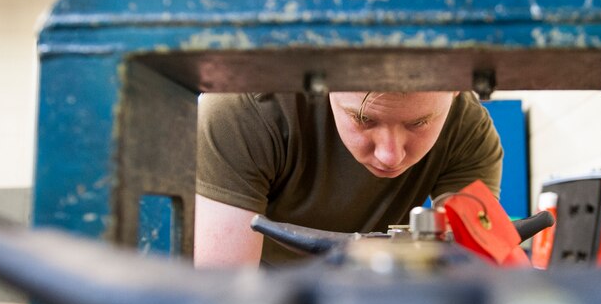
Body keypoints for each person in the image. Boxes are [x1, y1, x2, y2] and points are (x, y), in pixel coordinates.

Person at [194, 90, 503, 268]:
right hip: (264, 300)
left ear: (456, 90)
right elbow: (223, 298)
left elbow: (481, 271)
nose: (390, 155)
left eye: (419, 123)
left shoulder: (467, 128)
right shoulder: (245, 110)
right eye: (363, 119)